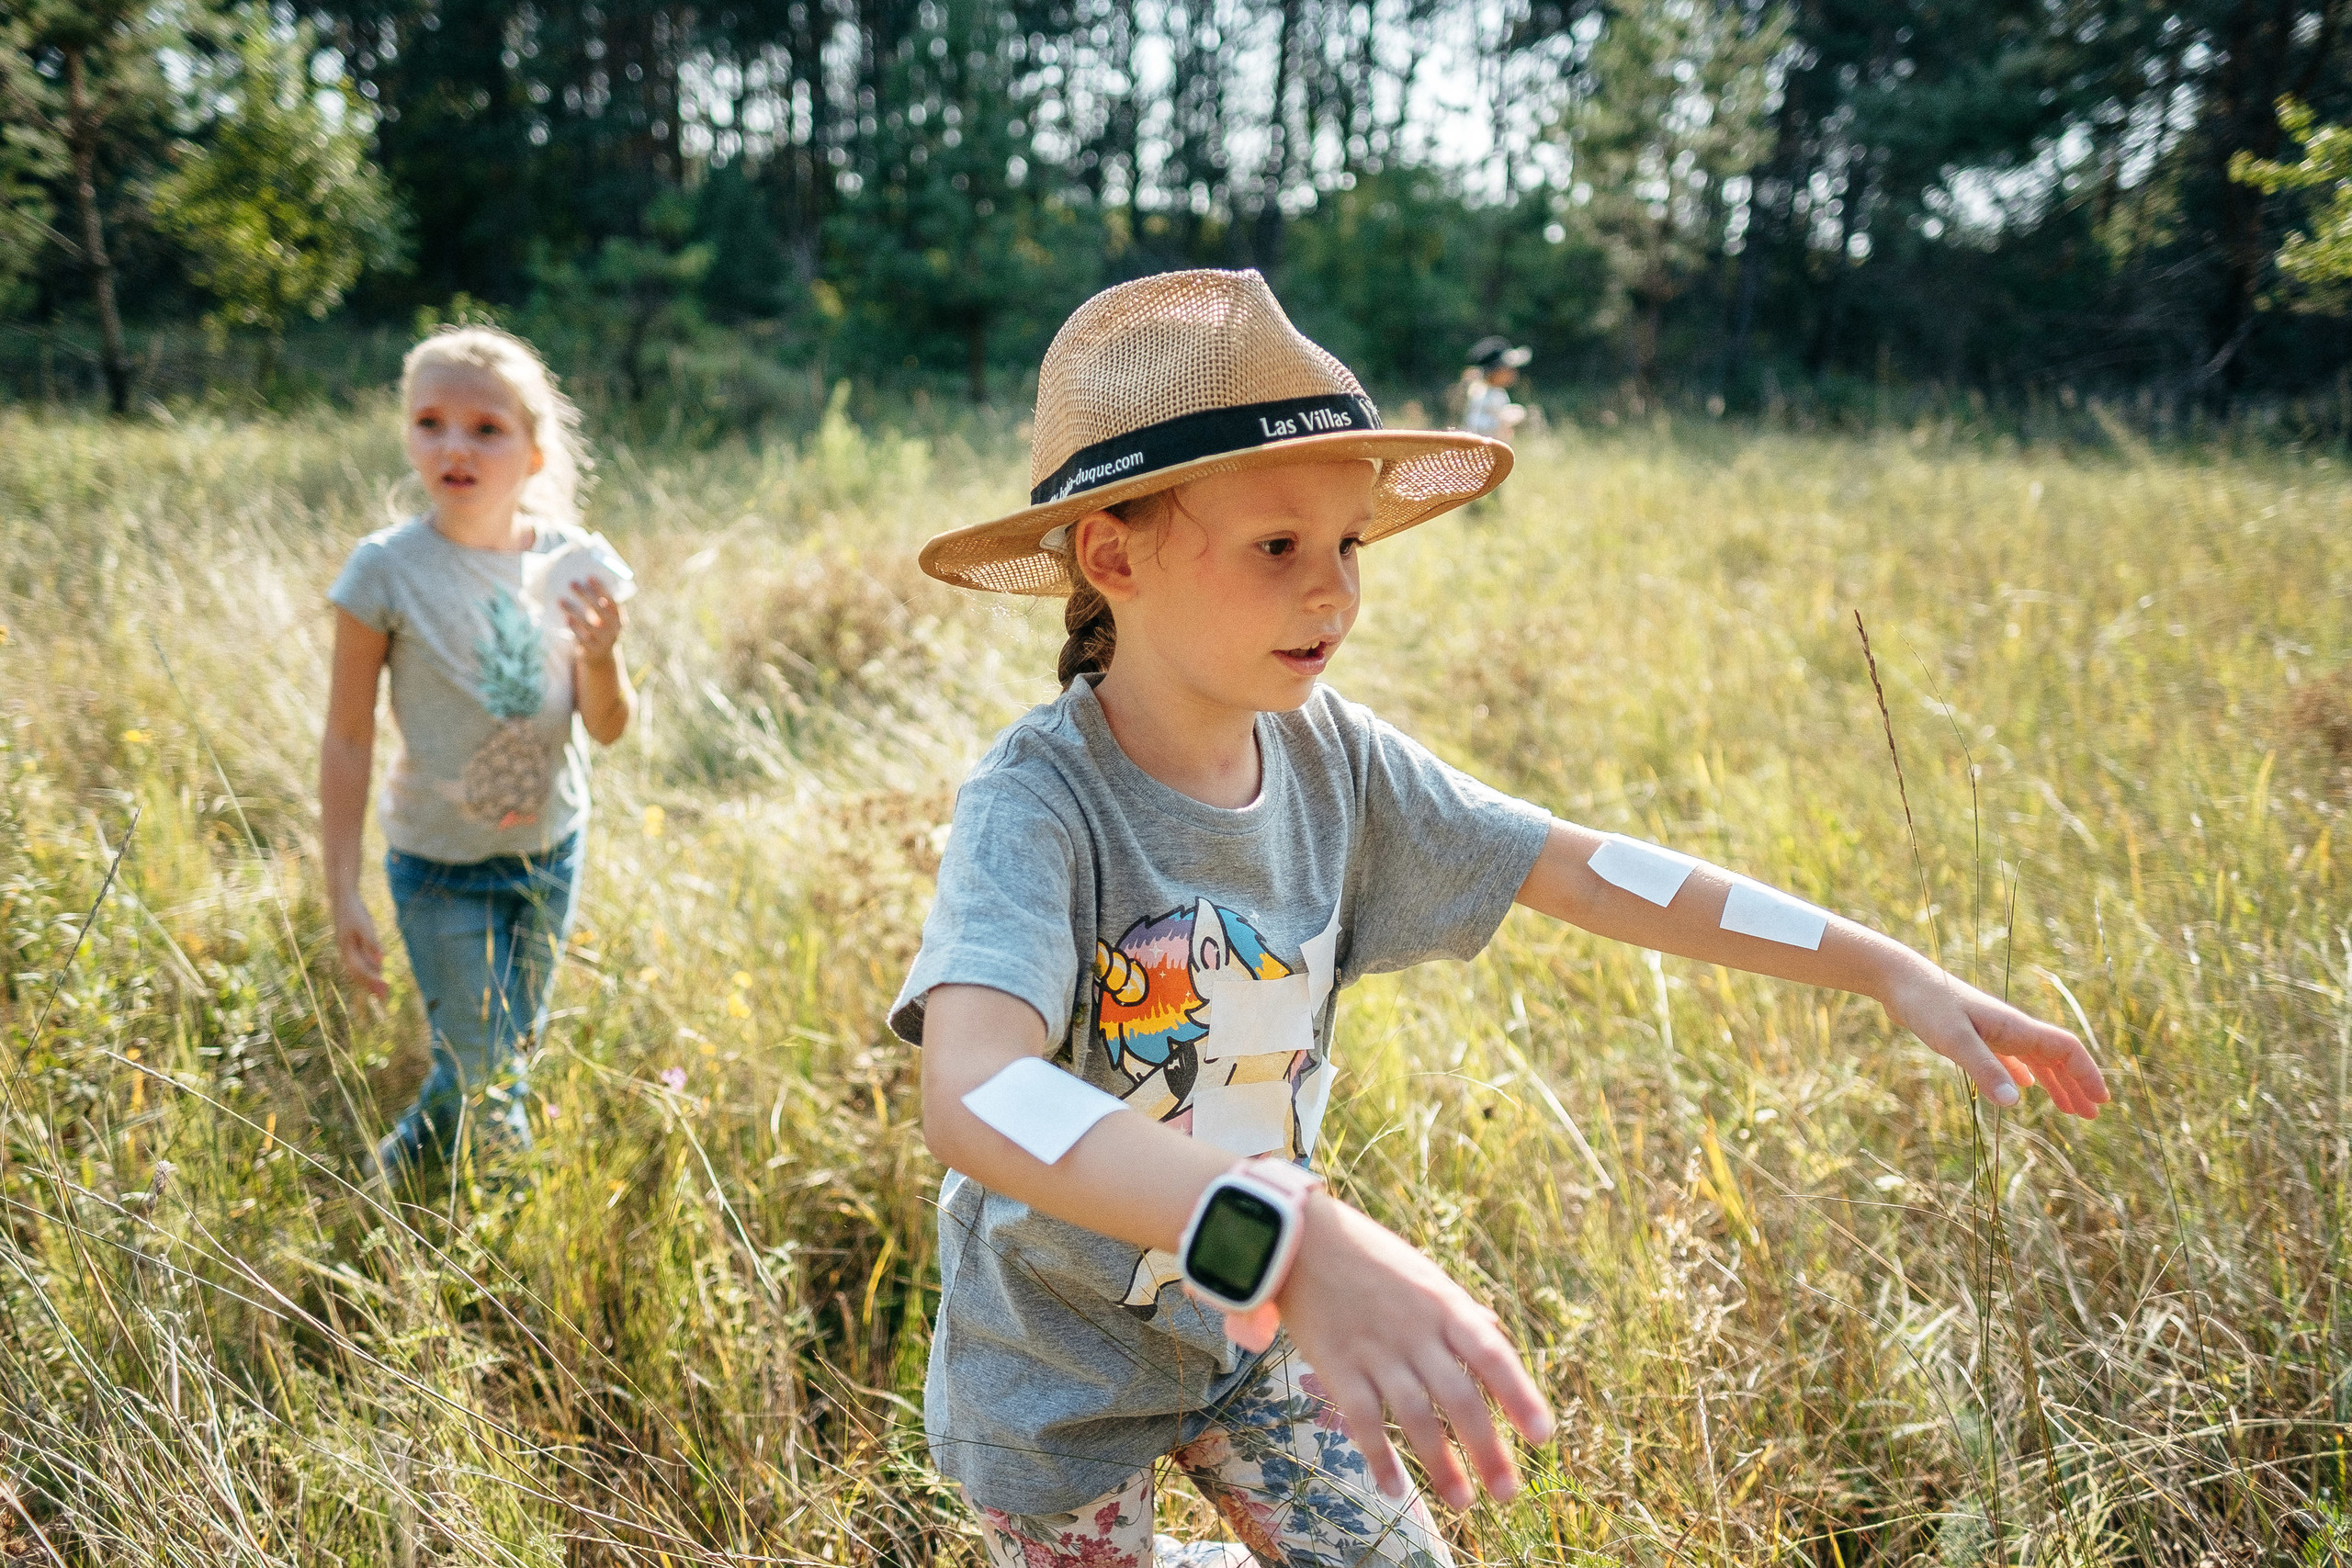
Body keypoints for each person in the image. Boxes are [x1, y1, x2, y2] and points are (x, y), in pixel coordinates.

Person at [892, 269, 2109, 1566]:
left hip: (1259, 1331)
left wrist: (1883, 965)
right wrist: (1285, 1231)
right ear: (1114, 555)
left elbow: (1585, 869)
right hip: (1059, 1374)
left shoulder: (1336, 761)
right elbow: (977, 1090)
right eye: (1276, 547)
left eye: (1347, 543)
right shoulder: (1041, 802)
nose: (1334, 592)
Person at [320, 326, 637, 1185]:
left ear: (535, 451)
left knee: (500, 1057)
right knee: (489, 1077)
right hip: (437, 863)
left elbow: (607, 727)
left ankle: (391, 1173)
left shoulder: (580, 564)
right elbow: (347, 737)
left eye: (486, 428)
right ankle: (505, 1237)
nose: (454, 445)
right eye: (430, 421)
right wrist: (342, 884)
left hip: (549, 854)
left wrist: (602, 657)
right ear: (408, 434)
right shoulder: (385, 570)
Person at [1457, 335, 1530, 441]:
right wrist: (1504, 419)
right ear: (1493, 370)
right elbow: (1475, 427)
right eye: (1507, 368)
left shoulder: (1498, 392)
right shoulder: (1480, 393)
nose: (1513, 372)